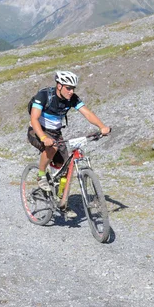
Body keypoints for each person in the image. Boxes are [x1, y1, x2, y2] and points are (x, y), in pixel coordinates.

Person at [28, 71, 111, 216]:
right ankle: (41, 175)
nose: (71, 91)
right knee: (51, 147)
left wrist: (102, 126)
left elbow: (87, 113)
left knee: (65, 166)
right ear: (59, 85)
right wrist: (42, 137)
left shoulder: (72, 98)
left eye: (73, 88)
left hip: (55, 133)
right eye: (68, 88)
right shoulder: (44, 95)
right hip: (37, 131)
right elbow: (34, 118)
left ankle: (61, 200)